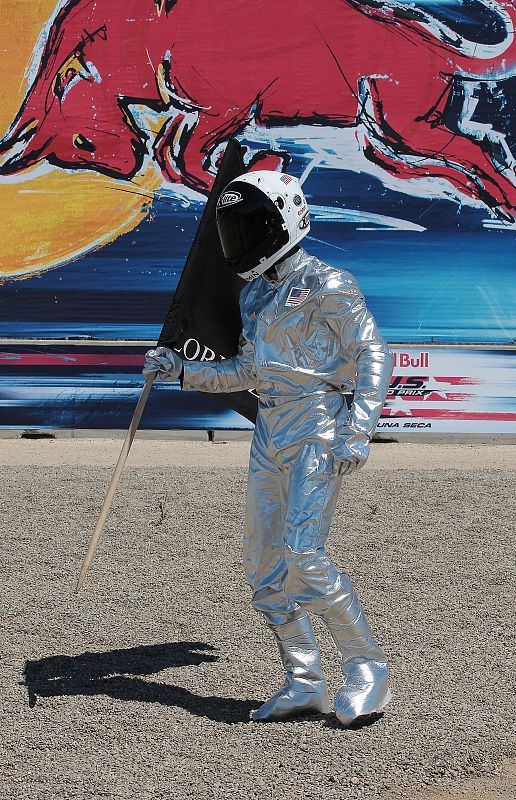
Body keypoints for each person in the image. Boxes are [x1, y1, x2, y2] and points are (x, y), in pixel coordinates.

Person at [143, 171, 393, 725]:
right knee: (264, 568)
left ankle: (366, 665)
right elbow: (248, 370)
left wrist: (357, 428)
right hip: (270, 432)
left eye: (246, 229)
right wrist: (182, 371)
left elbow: (375, 354)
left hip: (317, 428)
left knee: (304, 554)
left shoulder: (330, 284)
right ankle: (303, 679)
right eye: (231, 231)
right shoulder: (255, 292)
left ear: (283, 222)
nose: (236, 244)